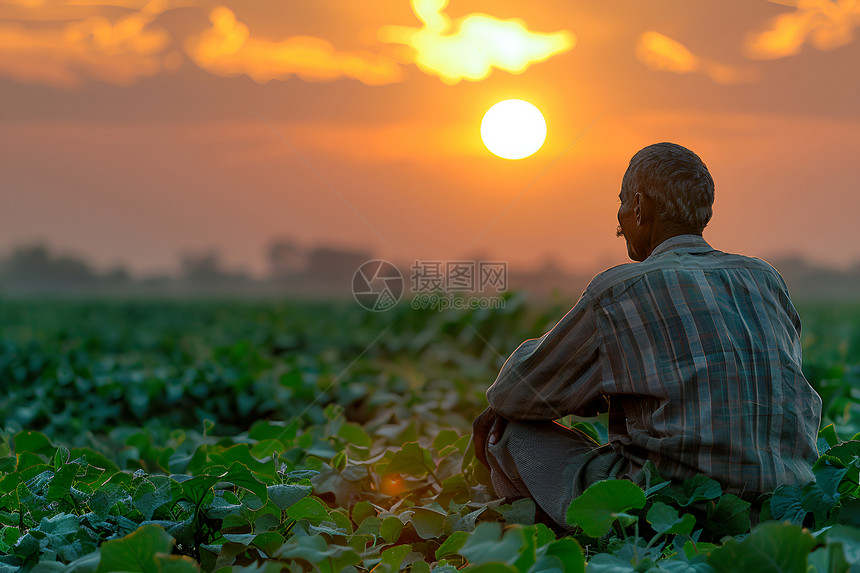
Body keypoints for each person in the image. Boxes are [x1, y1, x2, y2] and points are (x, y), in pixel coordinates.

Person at [472, 142, 823, 530]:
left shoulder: (619, 289)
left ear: (640, 207)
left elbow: (515, 393)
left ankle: (559, 533)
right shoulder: (765, 278)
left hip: (672, 510)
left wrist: (588, 394)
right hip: (782, 506)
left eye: (622, 202)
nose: (619, 217)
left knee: (507, 428)